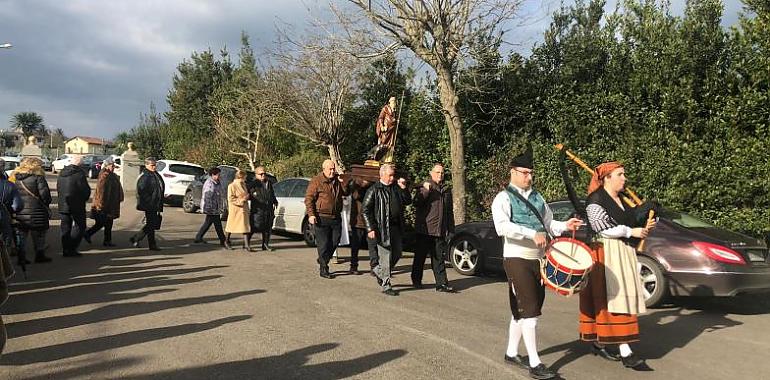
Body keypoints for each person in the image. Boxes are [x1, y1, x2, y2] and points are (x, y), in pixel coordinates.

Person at [491, 147, 582, 380]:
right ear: (513, 172)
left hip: (538, 259)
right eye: (524, 172)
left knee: (522, 309)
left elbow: (550, 224)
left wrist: (566, 226)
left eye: (531, 173)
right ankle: (535, 363)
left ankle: (511, 353)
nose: (529, 177)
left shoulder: (538, 197)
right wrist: (530, 233)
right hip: (516, 258)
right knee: (530, 311)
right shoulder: (503, 198)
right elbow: (502, 227)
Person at [580, 161, 656, 370]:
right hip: (605, 252)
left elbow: (630, 221)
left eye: (624, 174)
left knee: (614, 298)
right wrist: (631, 232)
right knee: (615, 298)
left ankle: (598, 341)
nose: (625, 178)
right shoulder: (595, 200)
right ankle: (626, 351)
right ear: (607, 178)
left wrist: (644, 222)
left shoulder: (621, 199)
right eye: (620, 174)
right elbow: (602, 227)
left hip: (622, 252)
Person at [363, 164, 412, 296]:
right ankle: (386, 285)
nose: (392, 178)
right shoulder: (374, 190)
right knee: (385, 256)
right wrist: (370, 228)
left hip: (396, 227)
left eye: (393, 175)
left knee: (397, 253)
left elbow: (408, 201)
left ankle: (378, 271)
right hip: (382, 228)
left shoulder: (396, 188)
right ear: (382, 175)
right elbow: (365, 210)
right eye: (390, 175)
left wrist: (404, 188)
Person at [412, 163, 455, 292]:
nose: (440, 175)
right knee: (420, 257)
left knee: (439, 259)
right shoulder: (425, 187)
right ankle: (416, 280)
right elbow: (416, 202)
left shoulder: (446, 190)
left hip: (439, 230)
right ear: (431, 173)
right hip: (425, 230)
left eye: (442, 173)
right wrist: (425, 190)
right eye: (437, 172)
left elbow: (449, 212)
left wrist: (451, 229)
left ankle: (441, 284)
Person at [305, 159, 349, 279]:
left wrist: (343, 182)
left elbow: (346, 193)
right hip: (321, 217)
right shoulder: (316, 181)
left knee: (335, 241)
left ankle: (322, 259)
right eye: (330, 169)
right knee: (323, 244)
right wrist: (311, 214)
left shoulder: (337, 180)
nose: (332, 171)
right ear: (323, 169)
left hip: (335, 216)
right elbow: (309, 198)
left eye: (333, 168)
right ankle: (324, 269)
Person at [12, 157, 53, 263]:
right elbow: (45, 195)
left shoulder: (17, 178)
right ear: (35, 166)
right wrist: (47, 203)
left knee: (22, 235)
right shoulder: (38, 178)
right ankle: (39, 255)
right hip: (37, 211)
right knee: (39, 234)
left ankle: (21, 257)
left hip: (21, 211)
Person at [84, 157, 124, 247]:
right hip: (104, 204)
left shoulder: (111, 175)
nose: (113, 167)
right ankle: (88, 234)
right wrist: (101, 204)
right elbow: (101, 191)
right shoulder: (104, 175)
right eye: (111, 165)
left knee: (109, 223)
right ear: (107, 166)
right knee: (101, 223)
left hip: (111, 203)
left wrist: (119, 196)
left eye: (113, 166)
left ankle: (107, 240)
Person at [57, 155, 91, 257]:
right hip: (77, 205)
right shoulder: (79, 174)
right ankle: (71, 248)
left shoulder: (61, 173)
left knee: (65, 228)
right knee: (80, 226)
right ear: (80, 164)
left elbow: (58, 188)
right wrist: (83, 199)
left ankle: (65, 249)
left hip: (63, 204)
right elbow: (85, 191)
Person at [130, 157, 164, 251]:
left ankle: (136, 238)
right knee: (151, 224)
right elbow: (142, 191)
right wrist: (150, 201)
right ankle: (152, 245)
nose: (154, 167)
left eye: (155, 165)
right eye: (152, 165)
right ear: (146, 165)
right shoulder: (145, 176)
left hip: (155, 203)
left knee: (151, 224)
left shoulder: (155, 174)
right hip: (149, 204)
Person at [348, 178, 376, 275]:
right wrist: (363, 185)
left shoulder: (375, 184)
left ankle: (374, 268)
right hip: (358, 220)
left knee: (373, 246)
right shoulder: (356, 182)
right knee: (356, 245)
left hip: (371, 220)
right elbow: (356, 195)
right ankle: (353, 266)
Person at [194, 167, 226, 246]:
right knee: (217, 224)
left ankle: (198, 237)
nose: (219, 176)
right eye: (217, 175)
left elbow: (220, 193)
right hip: (211, 207)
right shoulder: (209, 183)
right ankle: (223, 240)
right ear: (212, 175)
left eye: (219, 175)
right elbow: (207, 196)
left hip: (216, 206)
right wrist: (208, 207)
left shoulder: (218, 182)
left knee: (208, 223)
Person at [248, 166, 278, 251]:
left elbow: (271, 193)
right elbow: (247, 193)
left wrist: (275, 201)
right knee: (255, 227)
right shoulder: (253, 184)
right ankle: (247, 243)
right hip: (258, 209)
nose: (263, 175)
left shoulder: (268, 183)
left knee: (268, 228)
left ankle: (265, 244)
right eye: (261, 174)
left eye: (264, 173)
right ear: (256, 174)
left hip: (268, 209)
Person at [224, 169, 251, 251]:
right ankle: (226, 241)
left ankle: (246, 245)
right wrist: (242, 200)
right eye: (245, 176)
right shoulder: (232, 186)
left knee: (245, 227)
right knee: (230, 227)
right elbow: (230, 198)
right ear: (241, 177)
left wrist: (246, 198)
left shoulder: (244, 185)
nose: (246, 178)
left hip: (243, 210)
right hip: (235, 209)